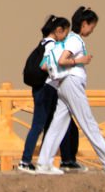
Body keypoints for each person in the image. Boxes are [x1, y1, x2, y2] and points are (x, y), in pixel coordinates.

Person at [36, 7, 105, 175]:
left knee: (58, 124)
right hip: (72, 83)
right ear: (84, 23)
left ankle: (44, 162)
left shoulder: (69, 39)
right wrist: (81, 60)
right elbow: (62, 60)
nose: (92, 30)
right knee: (88, 123)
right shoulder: (75, 40)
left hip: (64, 84)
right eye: (92, 26)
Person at [17, 15, 83, 174]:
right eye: (65, 33)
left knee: (55, 124)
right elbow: (45, 65)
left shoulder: (44, 43)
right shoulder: (52, 46)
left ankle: (57, 161)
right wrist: (63, 70)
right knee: (40, 125)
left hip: (44, 89)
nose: (66, 37)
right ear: (58, 31)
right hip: (46, 90)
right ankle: (26, 161)